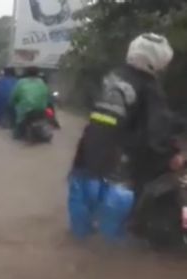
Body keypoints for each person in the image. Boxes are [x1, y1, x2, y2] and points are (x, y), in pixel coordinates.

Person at [68, 33, 183, 242]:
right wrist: (173, 156)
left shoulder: (111, 77)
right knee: (116, 244)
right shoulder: (149, 87)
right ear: (158, 60)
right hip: (120, 168)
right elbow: (155, 134)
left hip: (84, 159)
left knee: (81, 236)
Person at [10, 66, 50, 139]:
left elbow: (15, 96)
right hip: (41, 109)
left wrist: (13, 103)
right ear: (37, 73)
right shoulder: (42, 82)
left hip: (26, 110)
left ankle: (18, 132)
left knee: (17, 132)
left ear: (26, 73)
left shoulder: (21, 82)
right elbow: (47, 95)